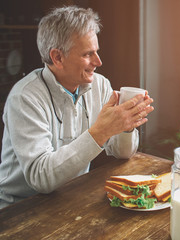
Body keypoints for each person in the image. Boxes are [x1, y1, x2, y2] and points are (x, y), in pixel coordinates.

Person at [0, 6, 154, 209]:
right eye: (88, 54)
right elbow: (40, 178)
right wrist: (101, 132)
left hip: (71, 197)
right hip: (19, 210)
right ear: (57, 58)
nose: (98, 61)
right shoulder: (25, 97)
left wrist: (126, 125)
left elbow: (122, 153)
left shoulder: (100, 85)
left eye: (96, 52)